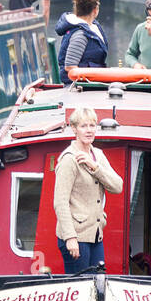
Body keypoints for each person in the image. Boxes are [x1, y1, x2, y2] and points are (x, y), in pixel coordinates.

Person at [54, 107, 124, 273]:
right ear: (74, 129)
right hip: (76, 237)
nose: (89, 130)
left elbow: (117, 186)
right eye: (83, 126)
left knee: (99, 281)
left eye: (92, 126)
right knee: (80, 289)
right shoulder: (68, 160)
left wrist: (95, 167)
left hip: (95, 234)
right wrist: (70, 237)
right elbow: (60, 202)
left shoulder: (97, 155)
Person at [55, 0, 108, 83]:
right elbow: (70, 67)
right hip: (79, 88)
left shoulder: (92, 27)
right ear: (95, 10)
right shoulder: (80, 35)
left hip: (91, 84)